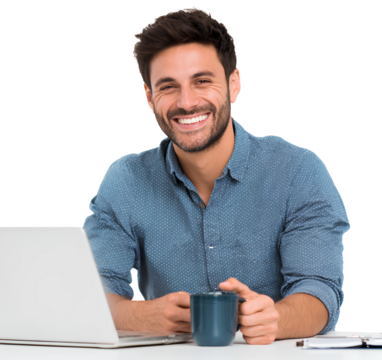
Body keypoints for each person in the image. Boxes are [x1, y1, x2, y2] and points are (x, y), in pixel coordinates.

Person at [82, 6, 352, 345]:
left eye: (202, 81)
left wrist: (277, 319)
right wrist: (142, 315)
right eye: (168, 87)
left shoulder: (298, 171)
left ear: (234, 84)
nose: (186, 102)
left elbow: (320, 289)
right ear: (149, 98)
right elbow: (91, 291)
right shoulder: (125, 181)